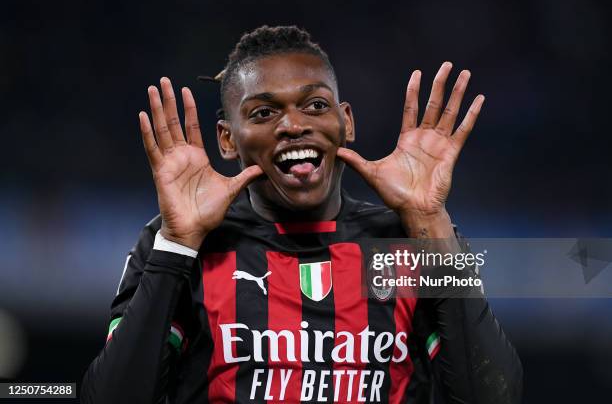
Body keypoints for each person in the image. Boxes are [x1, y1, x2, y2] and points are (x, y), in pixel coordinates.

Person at [81, 25, 522, 403]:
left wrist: (429, 221)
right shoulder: (181, 243)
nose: (293, 124)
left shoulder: (411, 241)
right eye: (264, 112)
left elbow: (495, 395)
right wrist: (177, 245)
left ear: (345, 122)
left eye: (315, 105)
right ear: (228, 139)